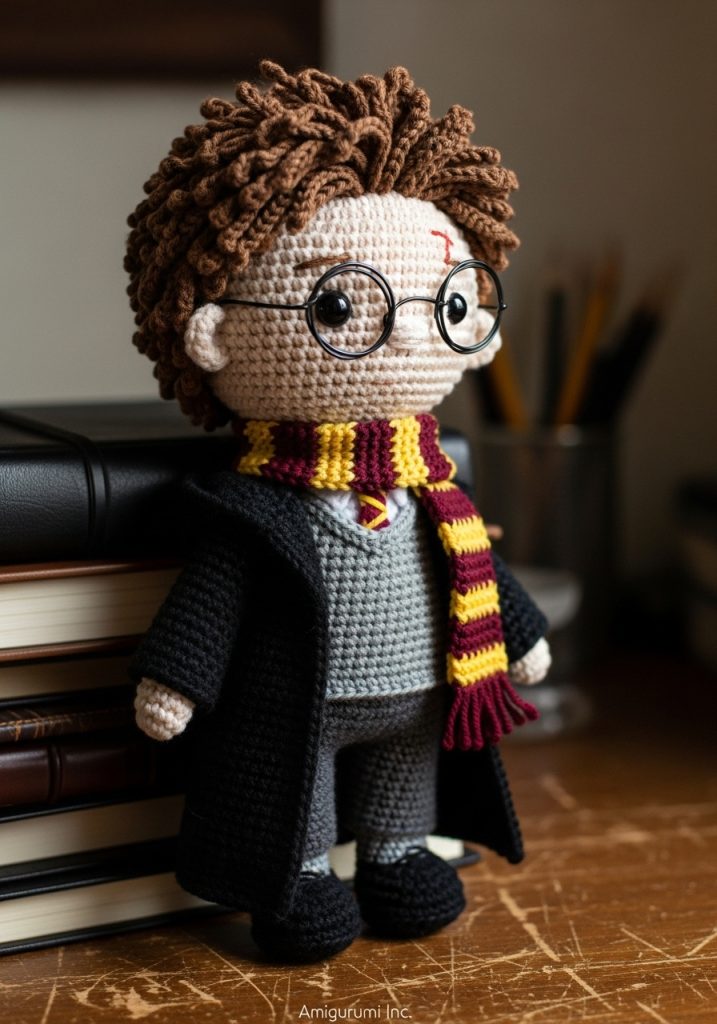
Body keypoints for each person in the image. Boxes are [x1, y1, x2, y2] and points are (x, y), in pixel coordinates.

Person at [126, 61, 551, 963]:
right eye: (336, 304)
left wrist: (518, 631)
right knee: (295, 795)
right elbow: (213, 597)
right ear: (214, 332)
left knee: (405, 786)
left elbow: (469, 564)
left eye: (444, 303)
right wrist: (176, 678)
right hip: (299, 707)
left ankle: (396, 856)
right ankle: (306, 875)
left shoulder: (431, 483)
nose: (408, 332)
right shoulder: (257, 502)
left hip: (418, 702)